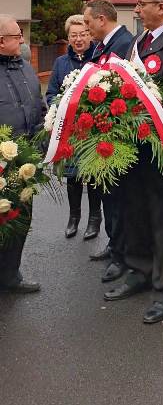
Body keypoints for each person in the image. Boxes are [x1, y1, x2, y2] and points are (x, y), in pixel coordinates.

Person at [103, 0, 163, 326]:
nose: (136, 9)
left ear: (162, 7)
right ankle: (139, 270)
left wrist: (138, 118)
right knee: (135, 211)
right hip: (133, 144)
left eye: (142, 4)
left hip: (162, 145)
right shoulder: (138, 42)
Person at [83, 0, 133, 282]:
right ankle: (115, 243)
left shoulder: (124, 44)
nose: (86, 28)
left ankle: (122, 254)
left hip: (117, 134)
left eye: (88, 22)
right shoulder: (102, 46)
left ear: (102, 19)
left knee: (120, 200)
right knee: (109, 196)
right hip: (104, 132)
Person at [0, 15, 45, 293]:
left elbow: (38, 106)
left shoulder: (27, 68)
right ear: (1, 41)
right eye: (17, 35)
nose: (22, 40)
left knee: (20, 217)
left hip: (25, 160)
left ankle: (10, 276)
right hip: (0, 163)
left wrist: (41, 141)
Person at [46, 14, 99, 240]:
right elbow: (51, 93)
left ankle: (95, 219)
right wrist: (58, 107)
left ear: (90, 35)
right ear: (68, 38)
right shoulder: (60, 63)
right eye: (73, 35)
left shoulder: (99, 58)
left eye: (83, 34)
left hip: (95, 129)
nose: (78, 39)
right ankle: (74, 217)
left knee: (95, 176)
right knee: (73, 176)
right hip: (70, 130)